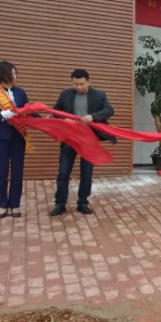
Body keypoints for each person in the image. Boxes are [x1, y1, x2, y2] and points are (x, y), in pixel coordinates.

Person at [51, 69, 115, 216]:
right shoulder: (65, 94)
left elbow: (109, 110)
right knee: (63, 172)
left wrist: (93, 116)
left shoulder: (99, 95)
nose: (79, 87)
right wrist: (64, 119)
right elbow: (55, 112)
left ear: (88, 81)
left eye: (82, 84)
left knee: (86, 173)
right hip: (70, 137)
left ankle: (82, 203)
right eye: (75, 84)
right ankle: (60, 203)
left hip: (89, 138)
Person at [0, 62, 30, 219]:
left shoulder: (21, 92)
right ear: (4, 75)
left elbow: (28, 110)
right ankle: (3, 204)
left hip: (18, 137)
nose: (16, 76)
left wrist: (44, 118)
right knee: (1, 172)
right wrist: (2, 115)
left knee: (17, 172)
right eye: (13, 73)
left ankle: (15, 204)